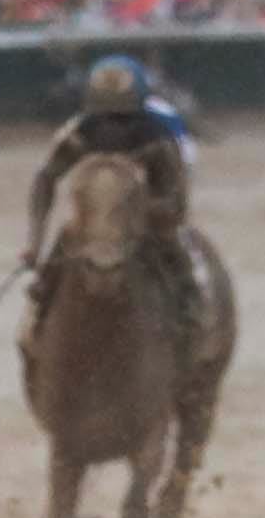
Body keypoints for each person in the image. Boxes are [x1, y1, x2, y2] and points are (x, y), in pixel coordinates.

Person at [23, 54, 205, 352]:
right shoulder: (82, 130)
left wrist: (142, 213)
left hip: (148, 219)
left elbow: (177, 199)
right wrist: (35, 243)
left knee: (178, 259)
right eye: (106, 116)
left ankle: (191, 317)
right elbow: (45, 179)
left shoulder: (158, 137)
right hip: (92, 219)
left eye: (123, 117)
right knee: (56, 261)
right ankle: (40, 325)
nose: (112, 126)